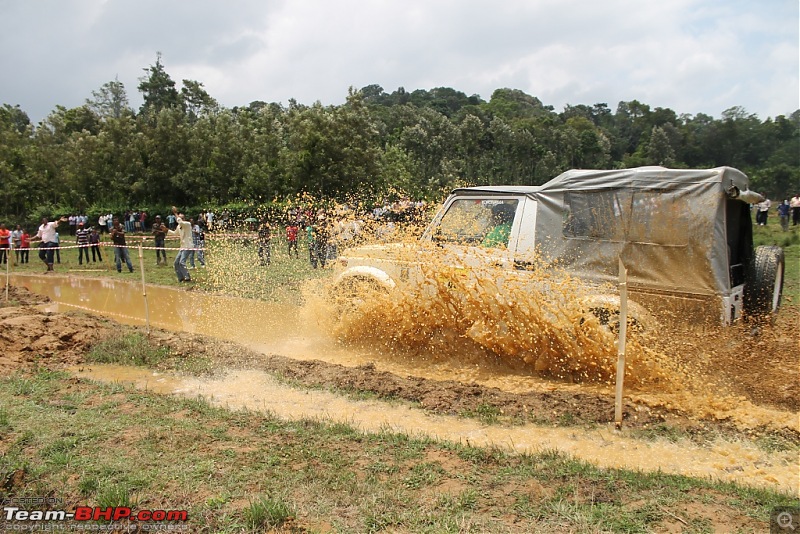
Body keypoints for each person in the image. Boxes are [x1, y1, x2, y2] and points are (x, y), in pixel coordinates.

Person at [166, 207, 193, 282]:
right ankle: (180, 278)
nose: (178, 218)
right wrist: (167, 230)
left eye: (180, 217)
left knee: (182, 262)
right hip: (182, 247)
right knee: (176, 263)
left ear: (183, 219)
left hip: (188, 246)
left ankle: (187, 277)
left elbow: (180, 222)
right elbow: (175, 233)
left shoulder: (187, 224)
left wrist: (175, 213)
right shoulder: (179, 226)